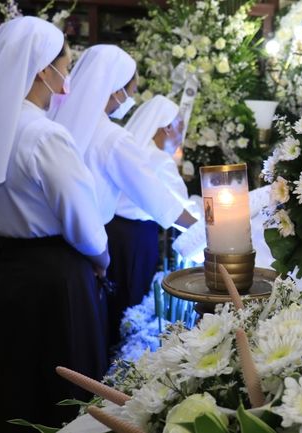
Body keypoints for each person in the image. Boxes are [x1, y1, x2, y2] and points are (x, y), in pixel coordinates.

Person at [0, 17, 109, 432]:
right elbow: (82, 219)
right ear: (43, 69)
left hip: (2, 273)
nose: (67, 77)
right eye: (66, 66)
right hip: (55, 279)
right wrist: (101, 258)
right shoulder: (43, 135)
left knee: (11, 386)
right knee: (63, 393)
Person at [49, 45, 197, 349]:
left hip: (55, 249)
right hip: (91, 247)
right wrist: (204, 231)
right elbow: (158, 198)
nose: (130, 100)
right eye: (129, 91)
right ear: (113, 89)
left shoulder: (59, 122)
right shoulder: (112, 138)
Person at [106, 95, 196, 346]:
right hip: (135, 238)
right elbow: (177, 207)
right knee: (131, 301)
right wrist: (209, 228)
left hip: (114, 233)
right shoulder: (158, 159)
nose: (182, 133)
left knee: (114, 301)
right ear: (167, 127)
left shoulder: (137, 151)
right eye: (180, 125)